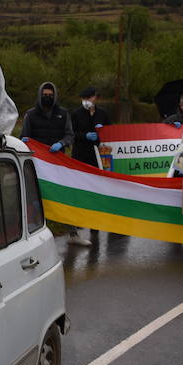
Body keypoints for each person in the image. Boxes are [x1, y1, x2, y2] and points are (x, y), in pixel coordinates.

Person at [66, 87, 113, 246]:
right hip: (80, 156)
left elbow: (110, 132)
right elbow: (71, 133)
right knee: (80, 189)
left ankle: (95, 223)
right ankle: (78, 221)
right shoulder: (76, 114)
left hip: (98, 158)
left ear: (95, 98)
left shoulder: (103, 114)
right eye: (84, 97)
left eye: (89, 97)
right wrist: (84, 135)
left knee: (96, 190)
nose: (87, 100)